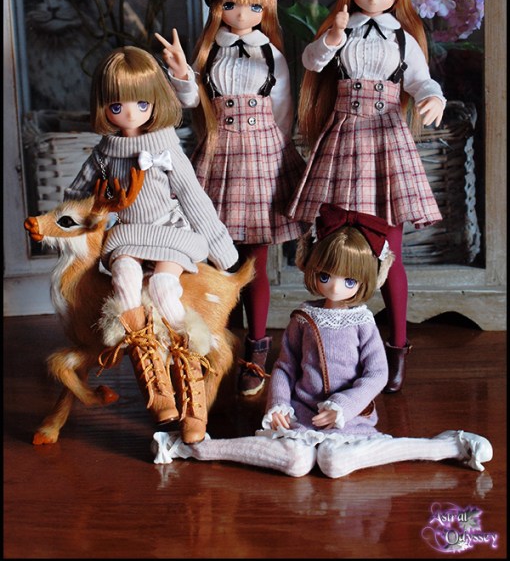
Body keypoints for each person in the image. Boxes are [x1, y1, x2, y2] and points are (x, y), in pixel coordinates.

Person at [151, 204, 493, 478]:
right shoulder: (304, 317)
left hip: (350, 420)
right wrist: (278, 405)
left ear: (368, 279)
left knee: (334, 462)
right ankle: (193, 448)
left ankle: (448, 446)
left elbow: (376, 374)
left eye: (349, 281)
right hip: (301, 415)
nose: (334, 287)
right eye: (326, 276)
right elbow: (285, 367)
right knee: (295, 461)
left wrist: (343, 406)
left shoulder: (362, 321)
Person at [286, 0, 447, 393]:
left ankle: (396, 346)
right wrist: (333, 38)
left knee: (388, 252)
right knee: (334, 243)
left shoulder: (402, 39)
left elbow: (421, 81)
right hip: (342, 142)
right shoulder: (341, 29)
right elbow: (311, 62)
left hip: (384, 145)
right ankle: (330, 345)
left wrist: (433, 98)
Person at [64, 46, 239, 443]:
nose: (130, 114)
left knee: (162, 288)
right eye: (117, 106)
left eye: (141, 104)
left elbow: (194, 199)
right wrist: (86, 215)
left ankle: (192, 390)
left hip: (169, 232)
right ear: (104, 107)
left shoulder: (166, 148)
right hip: (128, 235)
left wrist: (221, 250)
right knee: (124, 283)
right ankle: (157, 387)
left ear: (156, 102)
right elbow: (74, 198)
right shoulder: (104, 154)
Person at [156, 0, 306, 397]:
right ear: (216, 7)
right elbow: (189, 102)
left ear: (267, 8)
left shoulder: (271, 54)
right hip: (219, 157)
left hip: (262, 158)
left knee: (255, 262)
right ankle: (223, 340)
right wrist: (182, 75)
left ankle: (257, 348)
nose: (243, 14)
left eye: (255, 5)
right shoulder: (209, 54)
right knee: (218, 256)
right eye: (231, 4)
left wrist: (279, 157)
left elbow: (283, 109)